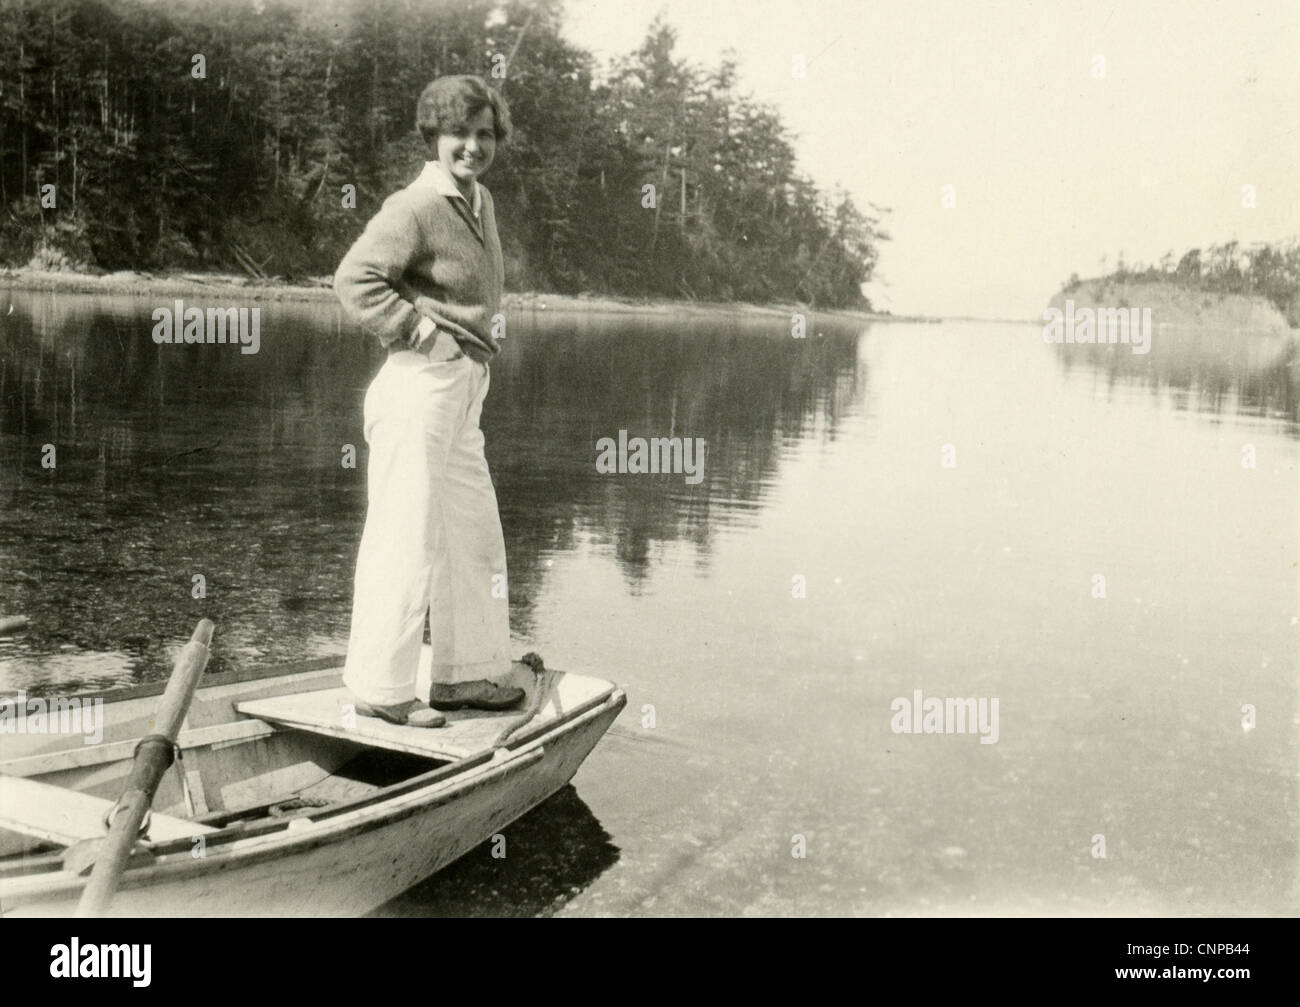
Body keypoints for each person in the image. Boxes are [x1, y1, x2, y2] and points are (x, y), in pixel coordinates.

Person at [333, 75, 524, 727]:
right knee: (404, 537)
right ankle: (381, 690)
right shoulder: (414, 204)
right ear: (434, 138)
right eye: (458, 134)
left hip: (466, 388)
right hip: (419, 382)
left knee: (472, 536)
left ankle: (465, 676)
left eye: (484, 135)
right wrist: (419, 329)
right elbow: (354, 280)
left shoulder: (481, 201)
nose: (471, 147)